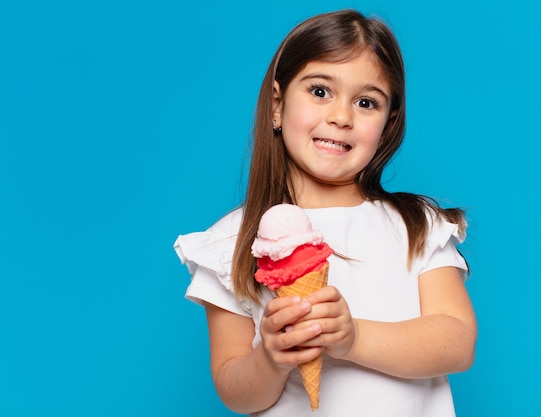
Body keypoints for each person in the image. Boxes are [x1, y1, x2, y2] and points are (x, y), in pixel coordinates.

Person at [174, 9, 477, 417]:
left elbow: (457, 343)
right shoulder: (231, 241)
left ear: (387, 126)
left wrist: (353, 339)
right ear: (277, 107)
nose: (341, 116)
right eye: (320, 92)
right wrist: (270, 358)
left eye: (366, 102)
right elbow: (234, 390)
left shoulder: (416, 225)